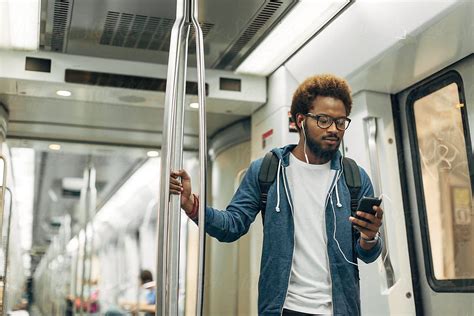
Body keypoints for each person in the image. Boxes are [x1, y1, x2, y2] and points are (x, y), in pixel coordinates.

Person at [170, 74, 383, 315]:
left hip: (340, 310)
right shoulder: (267, 171)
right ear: (301, 120)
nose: (334, 129)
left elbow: (367, 254)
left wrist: (369, 237)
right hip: (284, 308)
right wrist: (191, 205)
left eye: (341, 122)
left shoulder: (354, 178)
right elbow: (231, 226)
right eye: (324, 120)